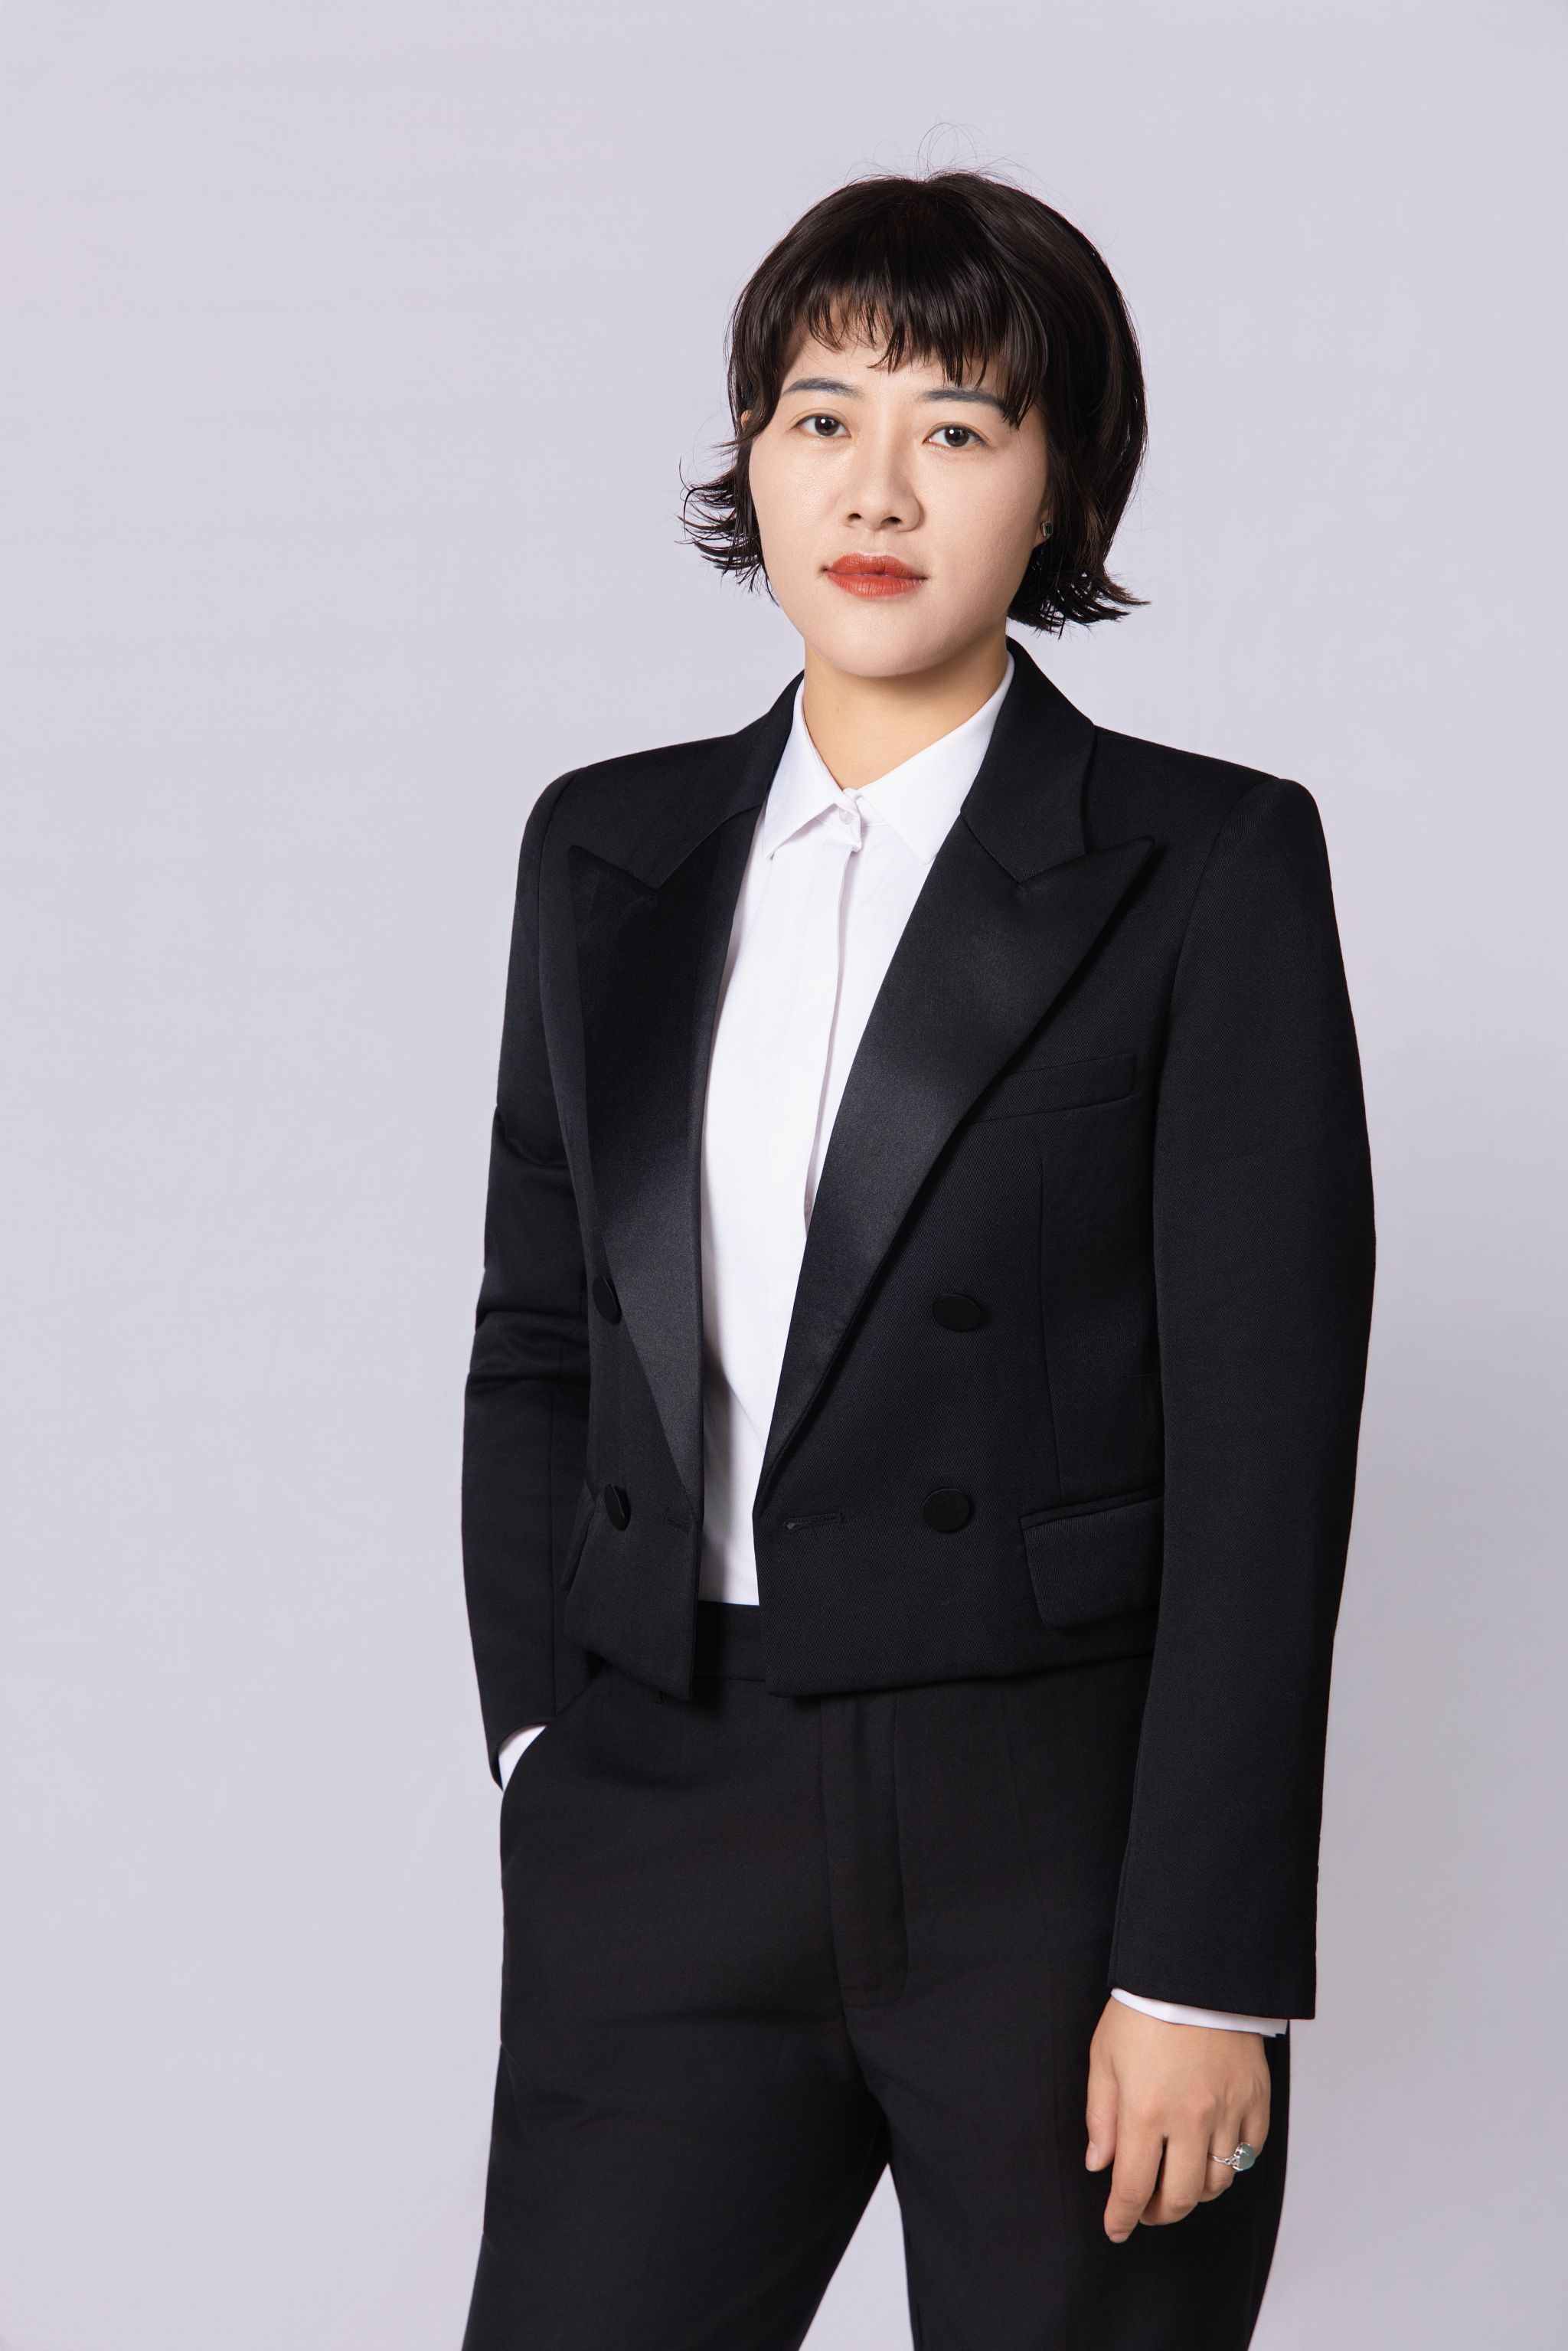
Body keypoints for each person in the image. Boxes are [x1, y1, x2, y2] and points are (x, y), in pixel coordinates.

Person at [457, 169, 1375, 2351]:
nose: (876, 488)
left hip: (1052, 1840)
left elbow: (1267, 1446)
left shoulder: (1207, 862)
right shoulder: (604, 846)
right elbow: (537, 1332)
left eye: (958, 427)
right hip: (666, 1798)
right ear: (754, 456)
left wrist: (1204, 1966)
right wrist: (540, 1745)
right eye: (822, 416)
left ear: (1060, 487)